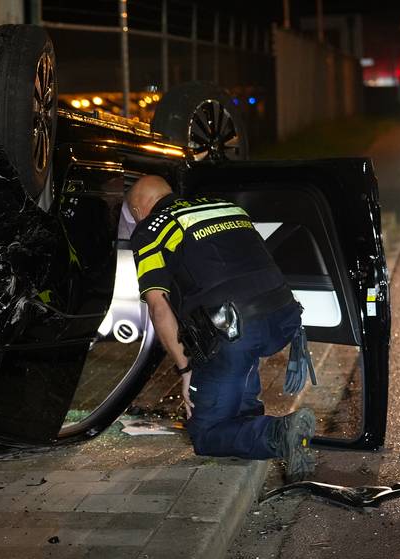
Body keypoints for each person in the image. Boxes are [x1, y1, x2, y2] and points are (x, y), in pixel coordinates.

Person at [126, 175, 316, 482]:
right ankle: (248, 431)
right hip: (283, 317)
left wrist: (186, 369)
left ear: (137, 209)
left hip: (237, 330)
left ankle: (280, 432)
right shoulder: (225, 207)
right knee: (235, 370)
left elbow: (158, 307)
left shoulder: (151, 228)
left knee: (205, 433)